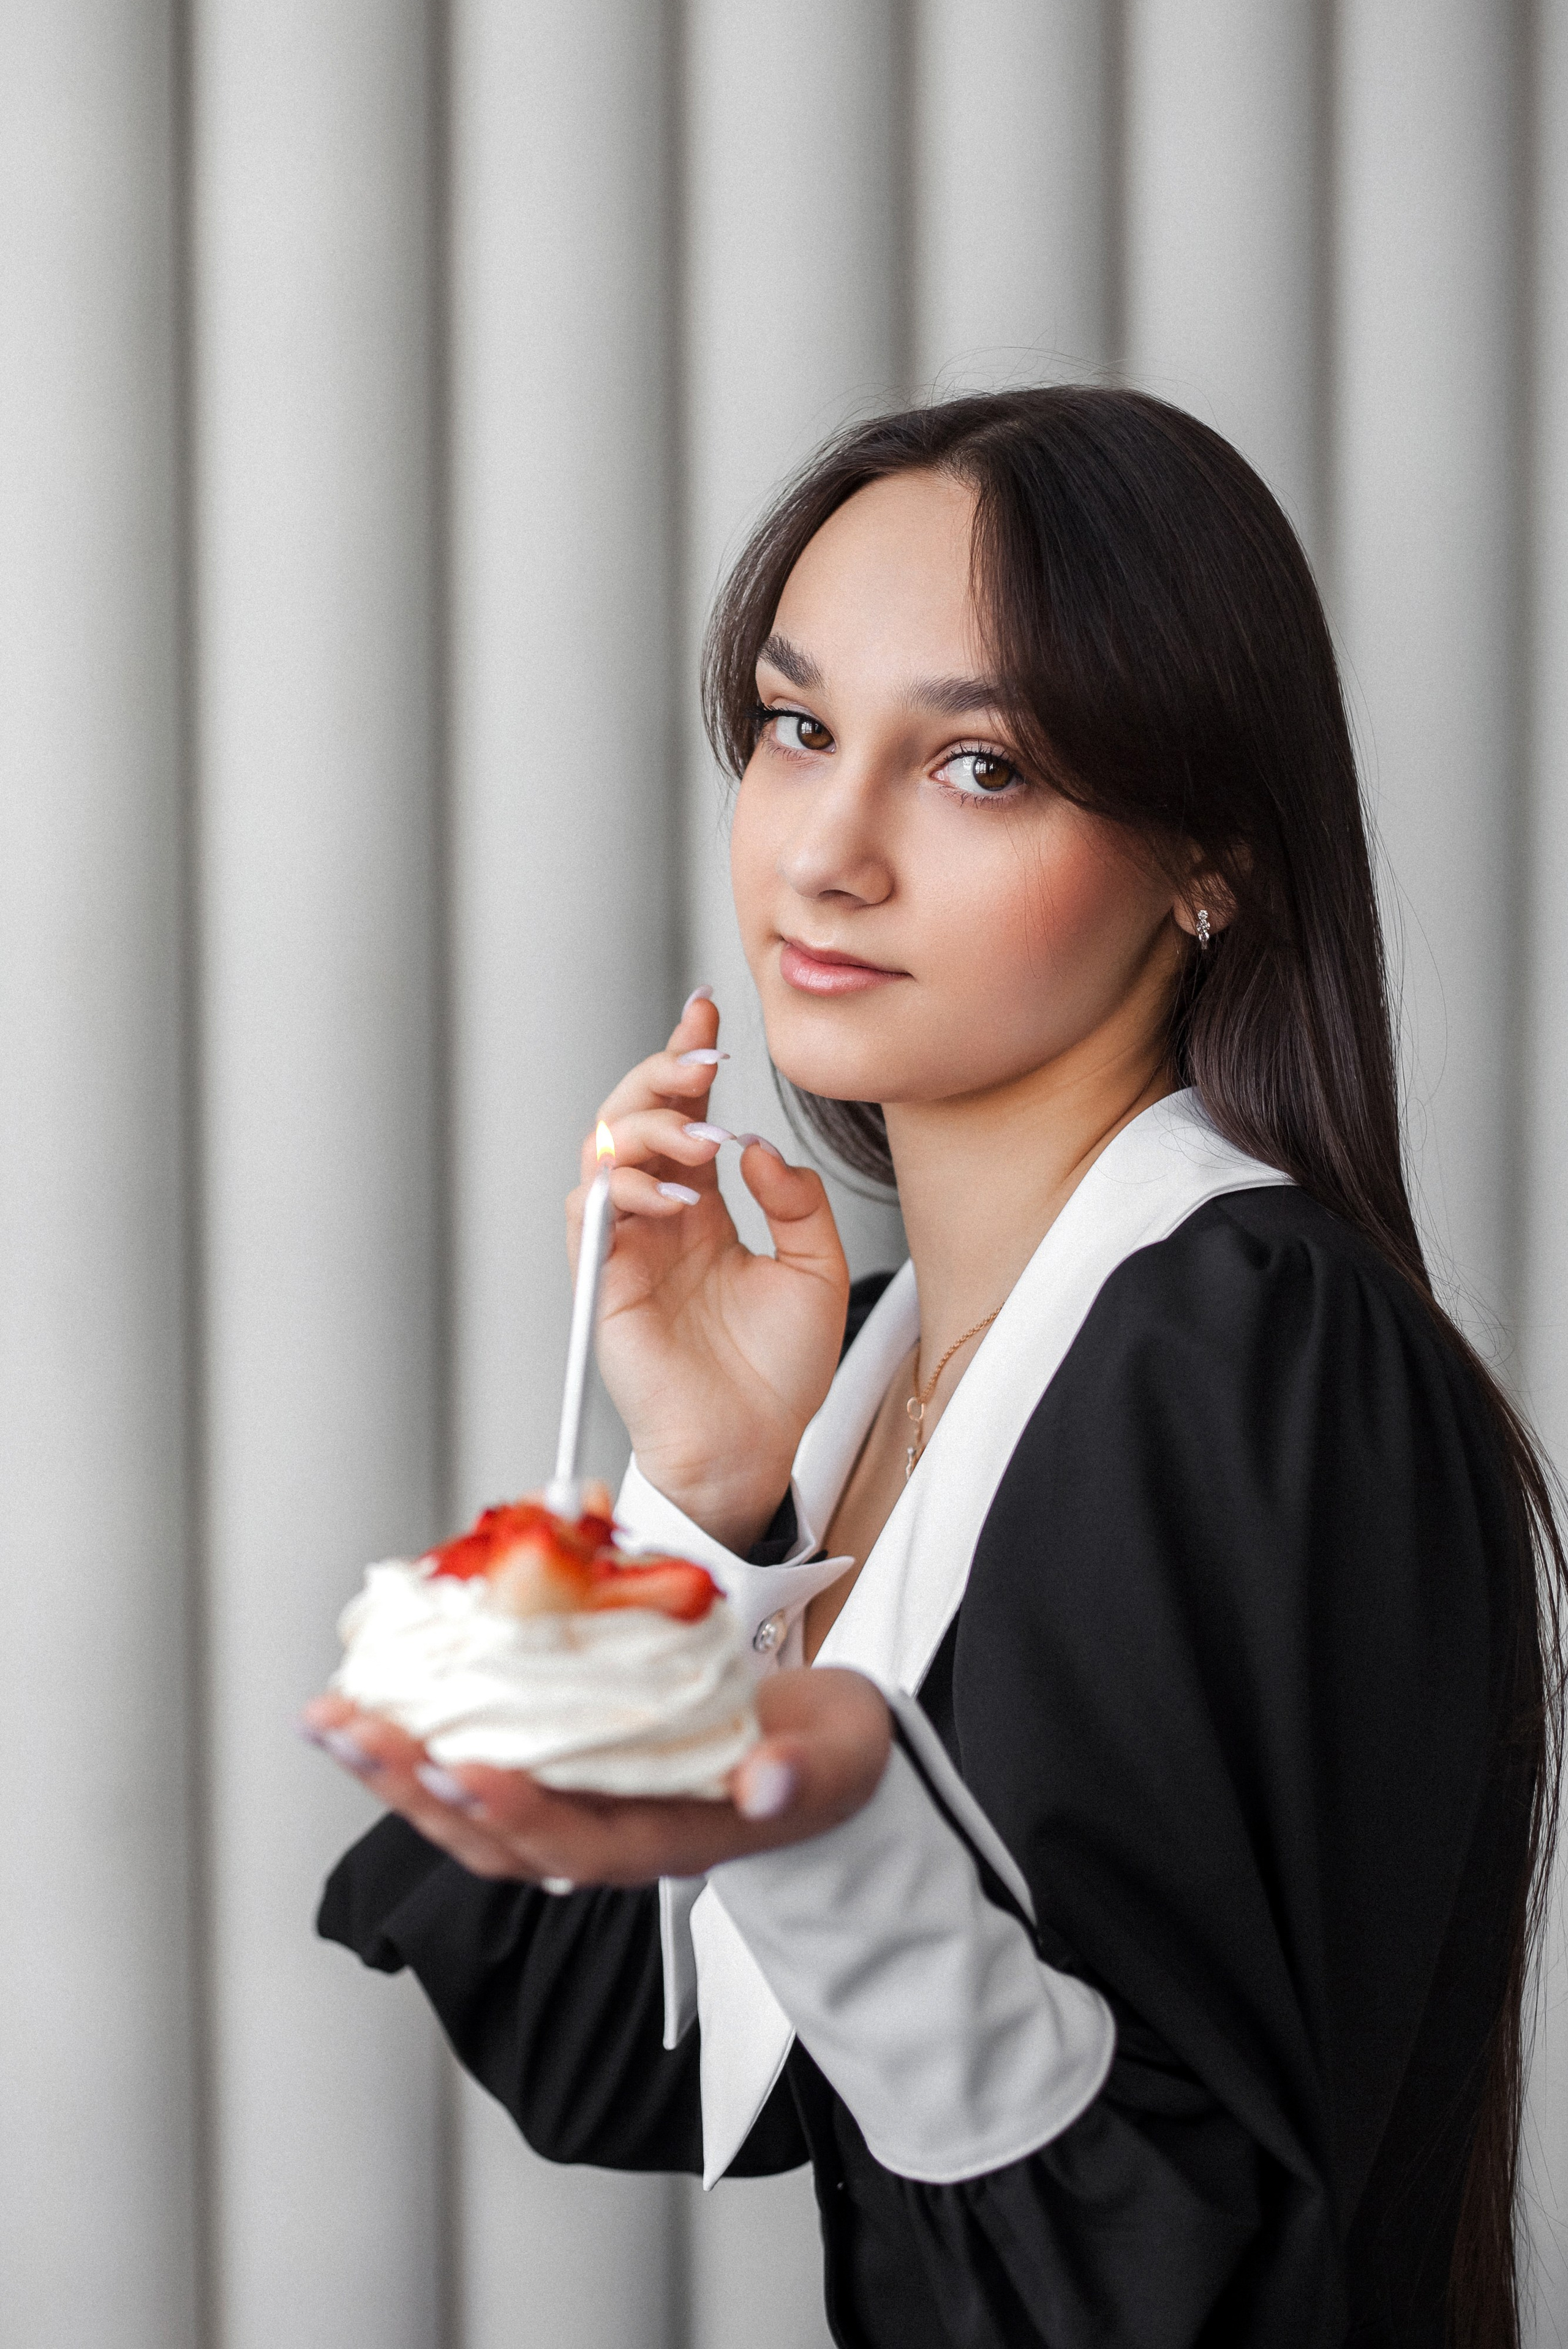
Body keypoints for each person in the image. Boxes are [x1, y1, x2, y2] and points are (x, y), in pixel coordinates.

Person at [306, 388, 1562, 2348]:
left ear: (1211, 858)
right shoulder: (908, 1351)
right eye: (800, 731)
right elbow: (615, 2055)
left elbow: (1168, 2267)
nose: (828, 851)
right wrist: (703, 1504)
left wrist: (833, 1820)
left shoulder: (1242, 1350)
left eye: (978, 766)